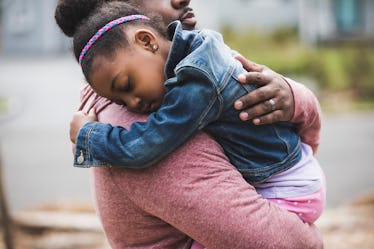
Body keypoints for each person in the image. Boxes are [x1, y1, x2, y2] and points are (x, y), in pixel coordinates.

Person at [55, 0, 324, 248]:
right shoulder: (143, 106)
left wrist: (291, 95)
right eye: (122, 96)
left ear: (146, 40)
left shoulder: (183, 67)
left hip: (289, 177)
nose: (132, 103)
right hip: (291, 178)